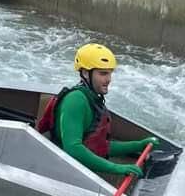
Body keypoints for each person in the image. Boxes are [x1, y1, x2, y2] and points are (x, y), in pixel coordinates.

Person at [36, 44, 158, 178]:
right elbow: (73, 149)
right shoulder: (75, 101)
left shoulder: (93, 98)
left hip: (79, 168)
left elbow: (98, 146)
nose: (109, 79)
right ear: (85, 73)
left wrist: (138, 145)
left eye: (110, 73)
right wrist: (116, 168)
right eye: (103, 73)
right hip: (59, 171)